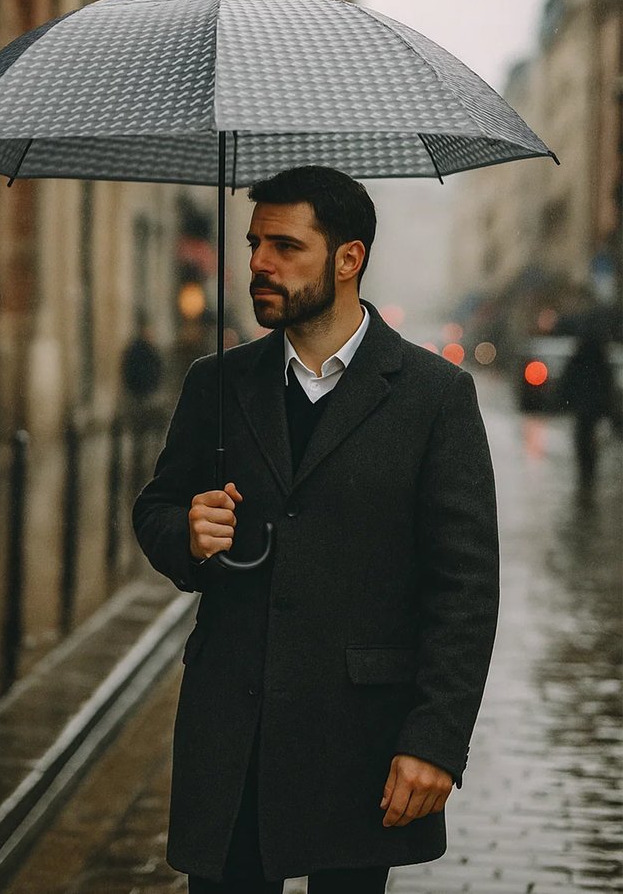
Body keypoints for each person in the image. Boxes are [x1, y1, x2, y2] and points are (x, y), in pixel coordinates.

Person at [133, 166, 499, 893]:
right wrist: (188, 531)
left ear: (348, 258)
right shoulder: (217, 383)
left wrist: (435, 742)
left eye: (284, 246)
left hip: (357, 737)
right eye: (253, 244)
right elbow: (158, 508)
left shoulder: (434, 395)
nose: (259, 264)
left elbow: (464, 589)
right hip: (232, 729)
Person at [559, 334, 621, 491]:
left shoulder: (580, 358)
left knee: (583, 439)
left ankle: (586, 471)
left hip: (584, 407)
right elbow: (607, 385)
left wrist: (564, 400)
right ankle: (588, 471)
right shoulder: (600, 359)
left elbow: (568, 381)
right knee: (589, 439)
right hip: (593, 408)